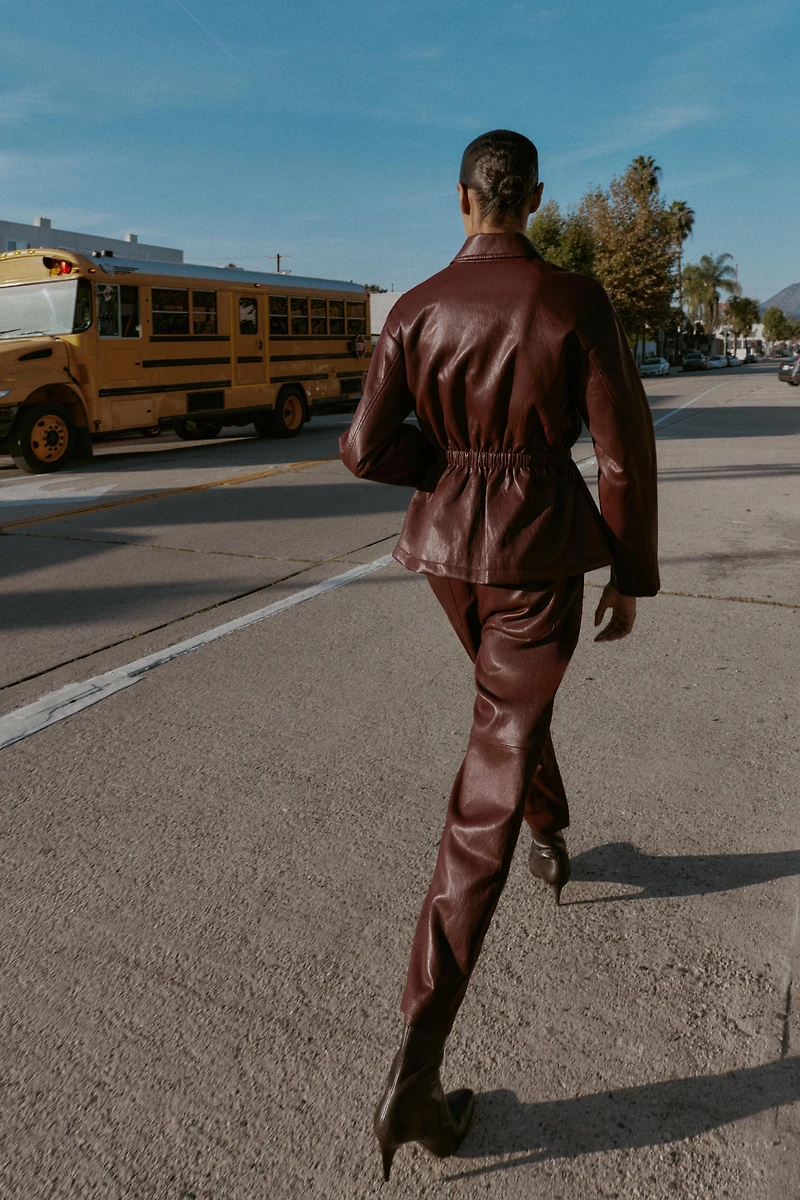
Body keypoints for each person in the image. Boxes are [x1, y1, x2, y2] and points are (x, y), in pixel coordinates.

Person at [339, 128, 659, 1181]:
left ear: (461, 198)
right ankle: (417, 1065)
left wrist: (450, 470)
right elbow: (621, 450)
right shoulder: (573, 300)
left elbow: (362, 448)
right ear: (535, 198)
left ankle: (551, 832)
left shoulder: (415, 306)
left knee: (507, 713)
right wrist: (628, 571)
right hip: (536, 553)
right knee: (492, 765)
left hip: (450, 556)